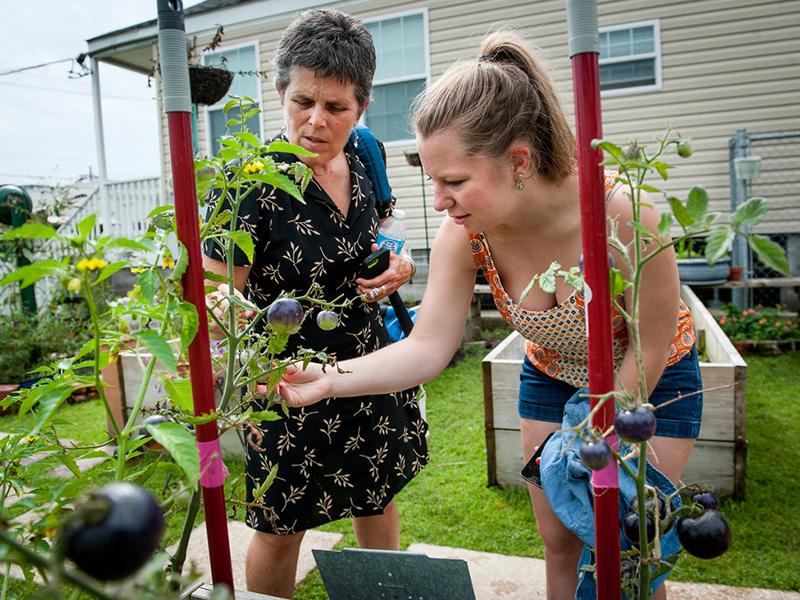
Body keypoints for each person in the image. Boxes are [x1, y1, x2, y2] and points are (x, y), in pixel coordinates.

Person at [276, 30, 702, 600]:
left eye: (453, 181)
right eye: (433, 180)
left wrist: (590, 431)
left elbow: (648, 348)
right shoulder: (466, 232)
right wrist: (330, 380)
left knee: (627, 545)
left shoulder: (621, 211)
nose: (440, 201)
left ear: (518, 160)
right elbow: (427, 346)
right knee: (558, 540)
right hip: (551, 375)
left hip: (650, 379)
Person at [202, 9, 427, 598]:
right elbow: (210, 287)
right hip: (286, 382)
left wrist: (397, 259)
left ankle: (383, 593)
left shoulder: (364, 155)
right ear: (280, 92)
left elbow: (384, 227)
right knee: (280, 525)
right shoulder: (249, 182)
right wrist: (231, 314)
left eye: (336, 108)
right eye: (302, 101)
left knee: (377, 496)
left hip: (368, 367)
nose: (316, 121)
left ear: (362, 107)